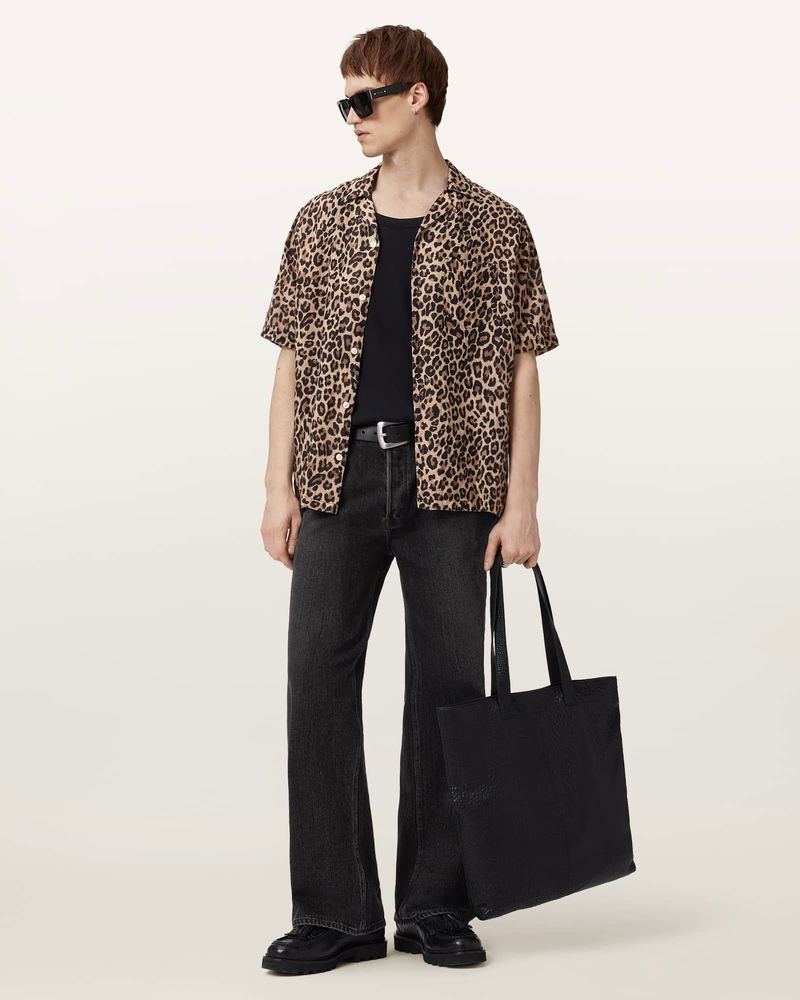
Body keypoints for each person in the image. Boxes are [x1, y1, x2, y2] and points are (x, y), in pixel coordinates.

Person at [258, 24, 559, 975]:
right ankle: (335, 915)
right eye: (344, 101)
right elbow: (291, 361)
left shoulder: (496, 225)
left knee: (446, 693)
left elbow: (523, 368)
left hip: (454, 485)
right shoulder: (320, 221)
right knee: (317, 682)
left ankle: (434, 907)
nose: (351, 117)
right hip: (336, 479)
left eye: (365, 100)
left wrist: (522, 503)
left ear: (417, 95)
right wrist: (276, 487)